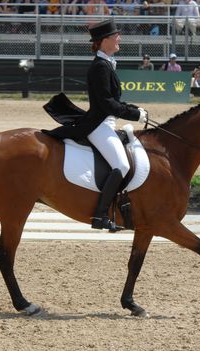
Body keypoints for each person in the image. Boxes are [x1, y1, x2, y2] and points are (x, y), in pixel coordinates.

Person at [45, 19, 147, 231]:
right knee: (122, 165)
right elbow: (106, 104)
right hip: (99, 125)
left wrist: (135, 109)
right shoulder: (100, 67)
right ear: (104, 41)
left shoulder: (106, 63)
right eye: (115, 35)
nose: (119, 38)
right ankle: (100, 216)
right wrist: (134, 114)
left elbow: (113, 100)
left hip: (106, 123)